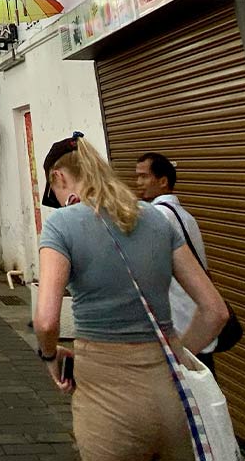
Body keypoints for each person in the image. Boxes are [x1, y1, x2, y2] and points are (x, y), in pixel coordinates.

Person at [34, 133, 229, 461]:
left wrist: (50, 356)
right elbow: (215, 311)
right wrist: (176, 355)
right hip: (172, 398)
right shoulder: (156, 218)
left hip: (107, 400)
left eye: (54, 191)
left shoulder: (61, 226)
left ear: (59, 177)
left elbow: (46, 320)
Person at [136, 152, 218, 372]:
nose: (138, 183)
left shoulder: (157, 216)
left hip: (180, 326)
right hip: (200, 322)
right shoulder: (185, 216)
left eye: (144, 177)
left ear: (163, 181)